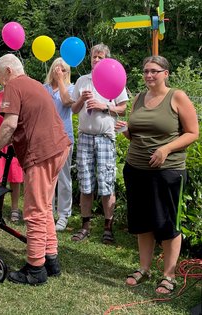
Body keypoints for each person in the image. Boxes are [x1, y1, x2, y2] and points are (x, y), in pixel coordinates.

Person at [0, 54, 71, 285]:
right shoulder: (34, 84)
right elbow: (23, 124)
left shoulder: (14, 85)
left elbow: (8, 125)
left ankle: (35, 268)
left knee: (35, 211)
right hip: (59, 148)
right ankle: (51, 259)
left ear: (8, 71)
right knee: (45, 207)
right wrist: (0, 144)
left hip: (42, 152)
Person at [117, 56, 199, 294]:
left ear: (166, 73)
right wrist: (124, 129)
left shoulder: (177, 97)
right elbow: (135, 134)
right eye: (145, 72)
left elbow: (193, 133)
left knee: (168, 223)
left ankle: (168, 275)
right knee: (143, 221)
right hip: (136, 169)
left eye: (154, 71)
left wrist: (165, 149)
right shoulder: (139, 99)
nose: (149, 76)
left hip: (168, 171)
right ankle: (144, 268)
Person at [70, 43, 128, 244]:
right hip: (85, 136)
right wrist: (81, 100)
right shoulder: (82, 80)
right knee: (86, 183)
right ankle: (85, 226)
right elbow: (74, 110)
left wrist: (104, 107)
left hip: (105, 138)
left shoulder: (113, 77)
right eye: (94, 56)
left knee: (106, 183)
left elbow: (123, 108)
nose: (96, 60)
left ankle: (108, 228)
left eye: (100, 57)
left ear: (107, 60)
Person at [43, 57, 75, 231]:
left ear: (67, 72)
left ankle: (63, 215)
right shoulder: (44, 88)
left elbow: (66, 101)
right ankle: (48, 212)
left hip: (64, 137)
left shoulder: (71, 87)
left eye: (63, 69)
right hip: (46, 138)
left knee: (63, 177)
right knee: (47, 177)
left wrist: (61, 81)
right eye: (57, 68)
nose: (59, 71)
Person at [0, 90, 24, 222]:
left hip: (13, 142)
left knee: (15, 176)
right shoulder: (0, 94)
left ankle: (14, 209)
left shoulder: (20, 96)